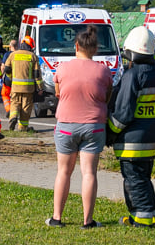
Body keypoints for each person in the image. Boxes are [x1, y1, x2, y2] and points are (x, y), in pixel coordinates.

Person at [48, 26, 112, 229]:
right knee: (89, 173)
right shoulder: (103, 70)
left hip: (66, 125)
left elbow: (58, 92)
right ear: (95, 49)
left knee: (63, 172)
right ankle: (88, 220)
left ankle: (57, 217)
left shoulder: (62, 68)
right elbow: (107, 96)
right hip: (94, 126)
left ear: (75, 46)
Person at [107, 27, 155, 228]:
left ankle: (143, 219)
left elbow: (123, 113)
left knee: (134, 180)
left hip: (132, 142)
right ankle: (153, 214)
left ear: (131, 52)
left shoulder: (132, 75)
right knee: (143, 178)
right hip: (152, 139)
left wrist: (110, 133)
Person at [3, 35, 42, 132]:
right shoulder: (33, 56)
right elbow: (36, 74)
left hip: (15, 87)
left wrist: (12, 77)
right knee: (26, 107)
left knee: (15, 103)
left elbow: (6, 69)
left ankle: (13, 117)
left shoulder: (13, 55)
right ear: (29, 46)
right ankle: (23, 127)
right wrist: (40, 88)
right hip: (28, 88)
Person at [0, 39, 17, 116]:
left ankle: (9, 109)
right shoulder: (20, 54)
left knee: (5, 94)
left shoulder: (7, 54)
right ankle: (16, 112)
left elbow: (3, 67)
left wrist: (1, 76)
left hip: (8, 79)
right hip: (18, 79)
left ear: (10, 46)